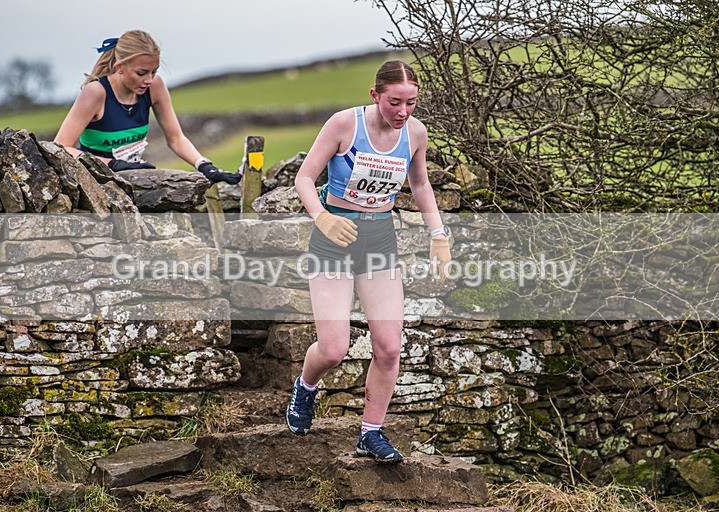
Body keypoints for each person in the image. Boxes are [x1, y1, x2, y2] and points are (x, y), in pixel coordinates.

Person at [285, 60, 452, 463]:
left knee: (390, 346)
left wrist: (439, 234)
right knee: (333, 349)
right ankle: (305, 388)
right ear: (375, 95)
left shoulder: (415, 132)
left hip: (379, 238)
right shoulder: (344, 125)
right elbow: (304, 179)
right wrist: (322, 217)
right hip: (335, 239)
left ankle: (371, 432)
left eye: (411, 103)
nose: (403, 112)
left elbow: (420, 183)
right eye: (395, 102)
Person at [54, 29, 240, 185]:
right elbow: (61, 147)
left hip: (134, 178)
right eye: (141, 73)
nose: (149, 80)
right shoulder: (95, 92)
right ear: (120, 67)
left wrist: (204, 165)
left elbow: (175, 138)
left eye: (154, 71)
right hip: (94, 181)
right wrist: (113, 164)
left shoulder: (155, 87)